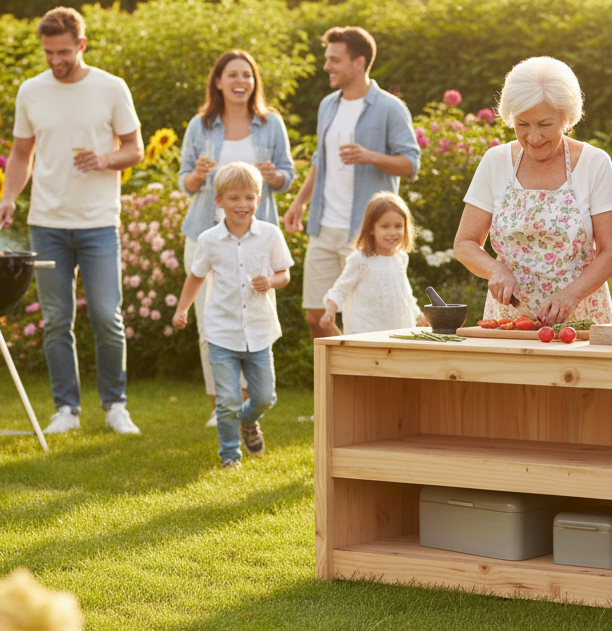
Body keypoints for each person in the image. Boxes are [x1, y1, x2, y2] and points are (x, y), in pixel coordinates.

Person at [0, 6, 145, 434]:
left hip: (98, 223)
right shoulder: (31, 91)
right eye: (48, 53)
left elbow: (135, 148)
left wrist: (106, 158)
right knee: (57, 320)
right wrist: (9, 198)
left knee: (105, 315)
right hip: (47, 223)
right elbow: (22, 154)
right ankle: (66, 410)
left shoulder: (111, 88)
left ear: (81, 44)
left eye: (63, 52)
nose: (56, 61)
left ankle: (115, 406)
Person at [454, 57, 612, 326]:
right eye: (522, 124)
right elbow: (464, 243)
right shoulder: (495, 161)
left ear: (566, 118)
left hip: (580, 316)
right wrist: (495, 269)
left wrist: (570, 296)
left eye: (544, 125)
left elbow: (611, 252)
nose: (533, 137)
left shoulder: (595, 163)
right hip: (510, 319)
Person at [178, 50, 295, 428]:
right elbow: (185, 182)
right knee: (208, 323)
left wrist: (273, 176)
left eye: (246, 74)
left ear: (254, 80)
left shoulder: (270, 123)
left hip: (255, 237)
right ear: (218, 81)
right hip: (206, 235)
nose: (240, 81)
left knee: (254, 315)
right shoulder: (201, 125)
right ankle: (220, 404)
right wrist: (197, 174)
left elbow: (287, 176)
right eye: (232, 75)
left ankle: (247, 406)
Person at [282, 26, 420, 340]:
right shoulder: (327, 105)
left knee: (365, 314)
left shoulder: (389, 108)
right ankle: (338, 383)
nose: (326, 66)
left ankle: (361, 374)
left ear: (359, 62)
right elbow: (321, 160)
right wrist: (300, 202)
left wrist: (370, 156)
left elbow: (411, 164)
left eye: (334, 59)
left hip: (365, 230)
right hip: (325, 225)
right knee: (316, 316)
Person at [172, 162, 293, 469]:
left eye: (249, 198)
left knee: (265, 397)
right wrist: (182, 309)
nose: (243, 205)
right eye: (235, 198)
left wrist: (272, 282)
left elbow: (284, 274)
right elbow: (196, 276)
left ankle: (249, 422)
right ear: (219, 201)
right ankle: (229, 455)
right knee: (227, 401)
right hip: (221, 332)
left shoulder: (270, 235)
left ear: (259, 199)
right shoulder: (209, 239)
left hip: (259, 329)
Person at [319, 191, 427, 335]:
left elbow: (404, 294)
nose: (392, 232)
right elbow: (340, 289)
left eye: (398, 226)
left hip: (398, 331)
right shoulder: (360, 260)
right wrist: (330, 310)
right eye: (384, 226)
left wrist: (418, 315)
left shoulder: (400, 258)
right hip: (366, 332)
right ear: (371, 228)